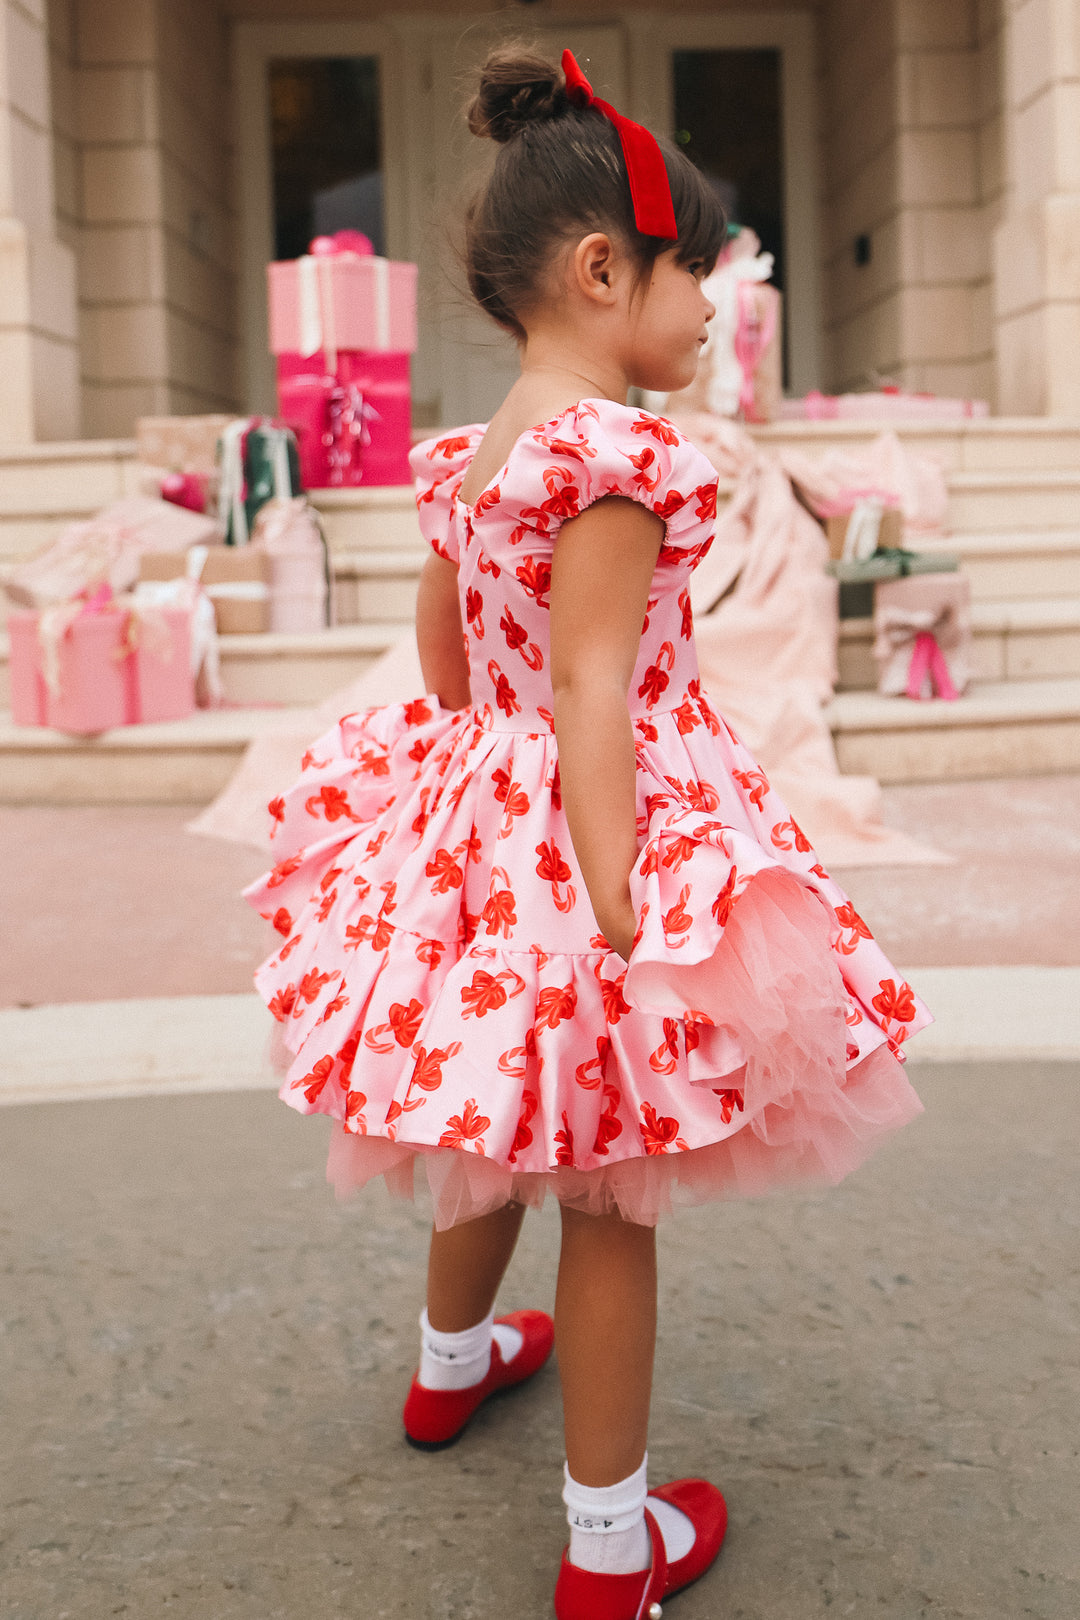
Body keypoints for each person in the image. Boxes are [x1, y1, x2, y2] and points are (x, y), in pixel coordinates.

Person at [244, 45, 929, 1619]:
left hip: (481, 807)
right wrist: (622, 898)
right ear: (604, 268)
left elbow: (449, 654)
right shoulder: (619, 459)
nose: (711, 307)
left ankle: (447, 1366)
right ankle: (613, 1547)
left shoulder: (473, 454)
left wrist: (478, 770)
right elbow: (593, 682)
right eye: (697, 273)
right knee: (611, 1182)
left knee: (489, 1126)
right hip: (594, 823)